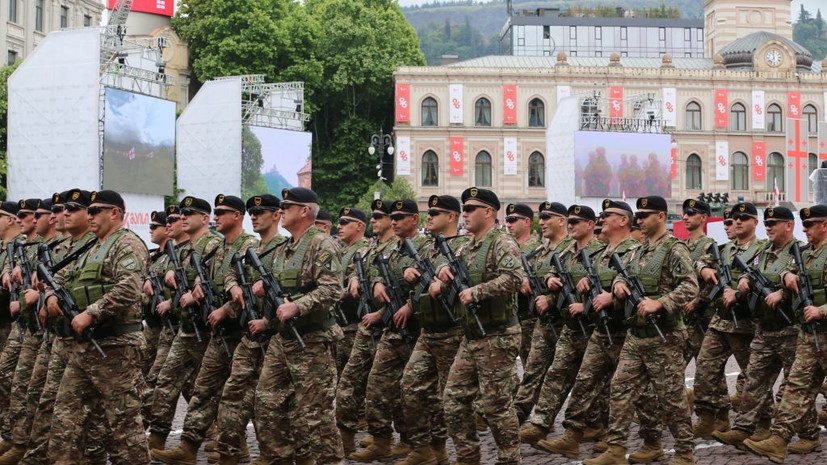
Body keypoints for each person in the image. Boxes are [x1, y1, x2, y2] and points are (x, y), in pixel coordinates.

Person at [585, 195, 698, 465]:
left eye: (645, 216)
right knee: (620, 388)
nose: (640, 221)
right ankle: (618, 449)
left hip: (665, 336)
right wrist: (619, 285)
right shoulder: (637, 249)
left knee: (670, 397)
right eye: (638, 216)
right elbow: (625, 274)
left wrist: (661, 302)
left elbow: (691, 286)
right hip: (636, 335)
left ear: (660, 217)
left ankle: (685, 451)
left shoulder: (673, 248)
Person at [44, 190, 150, 464]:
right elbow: (61, 278)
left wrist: (91, 313)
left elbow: (129, 287)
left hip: (116, 348)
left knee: (124, 425)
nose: (89, 216)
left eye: (95, 211)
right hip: (84, 348)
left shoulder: (127, 243)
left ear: (114, 213)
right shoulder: (90, 248)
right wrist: (51, 295)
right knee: (66, 418)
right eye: (87, 211)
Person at [151, 194, 256, 465]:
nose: (218, 215)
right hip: (214, 332)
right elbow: (204, 278)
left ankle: (240, 446)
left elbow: (251, 290)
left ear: (236, 216)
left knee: (239, 394)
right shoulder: (217, 247)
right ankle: (188, 445)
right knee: (204, 389)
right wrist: (193, 286)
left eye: (222, 211)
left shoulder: (248, 246)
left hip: (239, 331)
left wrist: (226, 309)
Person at [534, 199, 639, 460]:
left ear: (623, 220)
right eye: (601, 216)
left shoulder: (635, 250)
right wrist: (582, 290)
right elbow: (592, 283)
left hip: (624, 331)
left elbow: (636, 289)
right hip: (599, 329)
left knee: (628, 391)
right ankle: (573, 435)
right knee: (584, 382)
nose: (603, 219)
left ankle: (652, 440)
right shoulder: (601, 253)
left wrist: (608, 299)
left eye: (607, 215)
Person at [252, 187, 344, 465]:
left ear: (304, 211)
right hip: (284, 339)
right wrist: (267, 302)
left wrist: (298, 305)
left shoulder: (322, 243)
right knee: (266, 403)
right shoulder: (285, 248)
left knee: (317, 416)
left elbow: (332, 290)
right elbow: (283, 293)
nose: (281, 211)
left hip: (312, 340)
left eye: (287, 206)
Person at [437, 187, 523, 465]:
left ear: (489, 212)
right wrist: (442, 271)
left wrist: (478, 291)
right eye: (464, 208)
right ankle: (467, 457)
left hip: (498, 334)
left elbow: (514, 278)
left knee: (496, 406)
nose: (465, 213)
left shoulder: (502, 242)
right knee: (453, 400)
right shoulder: (467, 245)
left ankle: (510, 460)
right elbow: (444, 260)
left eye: (471, 208)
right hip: (473, 335)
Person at [21, 189, 102, 465]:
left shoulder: (97, 245)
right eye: (59, 209)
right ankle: (40, 455)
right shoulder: (67, 248)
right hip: (60, 335)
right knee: (49, 400)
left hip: (91, 337)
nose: (62, 214)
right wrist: (46, 296)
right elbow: (58, 283)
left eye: (72, 208)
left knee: (95, 409)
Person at [742, 205, 827, 461]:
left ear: (825, 224)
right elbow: (785, 272)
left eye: (810, 224)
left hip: (821, 322)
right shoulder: (806, 254)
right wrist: (787, 276)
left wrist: (822, 310)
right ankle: (779, 440)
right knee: (796, 387)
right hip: (809, 333)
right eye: (804, 224)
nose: (805, 229)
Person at [712, 207, 801, 449]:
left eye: (775, 222)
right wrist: (745, 279)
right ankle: (743, 428)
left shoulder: (799, 252)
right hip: (763, 328)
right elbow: (749, 271)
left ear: (789, 225)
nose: (769, 226)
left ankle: (809, 436)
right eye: (768, 222)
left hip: (790, 329)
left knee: (794, 386)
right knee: (753, 381)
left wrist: (782, 290)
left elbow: (801, 281)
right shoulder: (762, 252)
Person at [520, 205, 604, 445]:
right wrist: (548, 282)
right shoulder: (567, 252)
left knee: (596, 382)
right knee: (556, 374)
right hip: (570, 326)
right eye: (571, 221)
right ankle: (540, 425)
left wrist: (584, 305)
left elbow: (607, 289)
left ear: (590, 224)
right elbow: (552, 277)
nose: (572, 226)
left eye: (577, 222)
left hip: (594, 327)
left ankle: (603, 428)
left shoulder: (601, 251)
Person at [211, 194, 285, 465]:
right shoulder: (248, 250)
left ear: (276, 215)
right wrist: (233, 286)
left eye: (261, 211)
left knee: (271, 402)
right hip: (250, 335)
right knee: (233, 393)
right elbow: (233, 270)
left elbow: (290, 292)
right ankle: (229, 453)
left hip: (274, 336)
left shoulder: (284, 249)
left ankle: (275, 454)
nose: (254, 216)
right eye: (252, 212)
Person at [394, 195, 465, 465]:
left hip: (453, 330)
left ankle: (446, 450)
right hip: (428, 330)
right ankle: (423, 447)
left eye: (436, 212)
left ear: (451, 217)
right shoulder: (428, 247)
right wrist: (408, 271)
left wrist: (442, 283)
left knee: (450, 397)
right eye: (428, 211)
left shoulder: (463, 246)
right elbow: (398, 261)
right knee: (410, 386)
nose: (429, 216)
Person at [351, 199, 424, 462]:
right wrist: (377, 284)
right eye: (392, 217)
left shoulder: (425, 246)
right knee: (377, 386)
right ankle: (382, 439)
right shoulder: (393, 248)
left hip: (416, 331)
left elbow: (434, 284)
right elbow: (377, 271)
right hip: (392, 329)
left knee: (411, 392)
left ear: (414, 219)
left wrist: (410, 305)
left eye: (400, 217)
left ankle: (414, 442)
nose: (394, 221)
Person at [147, 196, 222, 450]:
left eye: (189, 213)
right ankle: (158, 437)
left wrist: (199, 288)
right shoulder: (184, 249)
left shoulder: (214, 245)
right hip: (186, 327)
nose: (184, 217)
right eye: (183, 213)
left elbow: (219, 280)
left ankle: (229, 438)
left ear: (204, 218)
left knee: (212, 387)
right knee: (166, 379)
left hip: (208, 330)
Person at [691, 202, 764, 440]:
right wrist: (704, 270)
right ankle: (712, 416)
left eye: (744, 217)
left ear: (755, 222)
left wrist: (741, 290)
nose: (738, 221)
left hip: (746, 325)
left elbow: (767, 278)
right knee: (705, 369)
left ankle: (763, 423)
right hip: (720, 322)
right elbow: (701, 261)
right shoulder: (723, 249)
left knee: (753, 377)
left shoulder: (763, 250)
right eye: (735, 218)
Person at [0, 198, 62, 465]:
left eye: (36, 214)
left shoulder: (58, 247)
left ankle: (31, 446)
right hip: (28, 325)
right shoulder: (32, 247)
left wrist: (38, 295)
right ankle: (20, 440)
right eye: (28, 214)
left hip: (50, 328)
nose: (31, 219)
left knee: (42, 391)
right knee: (19, 382)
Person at [337, 199, 396, 453]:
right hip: (366, 326)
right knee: (350, 381)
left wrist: (381, 314)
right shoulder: (372, 249)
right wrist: (353, 279)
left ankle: (400, 439)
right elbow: (360, 271)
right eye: (373, 216)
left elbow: (404, 293)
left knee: (387, 387)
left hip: (391, 327)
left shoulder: (399, 248)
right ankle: (347, 437)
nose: (375, 220)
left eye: (379, 216)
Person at [513, 201, 572, 424]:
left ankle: (594, 421)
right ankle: (517, 419)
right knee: (532, 372)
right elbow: (525, 274)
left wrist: (552, 298)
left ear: (561, 220)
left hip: (568, 324)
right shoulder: (540, 251)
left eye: (547, 217)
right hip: (544, 322)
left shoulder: (573, 248)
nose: (542, 222)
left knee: (572, 374)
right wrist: (524, 279)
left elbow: (577, 285)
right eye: (541, 217)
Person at [333, 207, 371, 376]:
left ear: (359, 226)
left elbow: (355, 283)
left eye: (344, 223)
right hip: (340, 325)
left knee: (351, 380)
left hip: (353, 325)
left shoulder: (363, 250)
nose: (339, 226)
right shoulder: (343, 251)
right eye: (339, 222)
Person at [0, 200, 25, 454]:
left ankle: (17, 438)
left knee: (12, 381)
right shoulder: (5, 248)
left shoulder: (21, 247)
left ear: (10, 219)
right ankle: (10, 437)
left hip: (13, 325)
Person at [505, 203, 543, 367]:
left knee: (531, 366)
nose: (508, 224)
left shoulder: (540, 249)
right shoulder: (505, 247)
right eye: (507, 220)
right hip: (506, 318)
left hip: (528, 317)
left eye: (513, 220)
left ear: (527, 222)